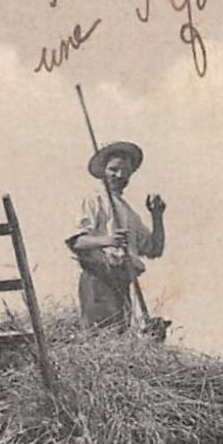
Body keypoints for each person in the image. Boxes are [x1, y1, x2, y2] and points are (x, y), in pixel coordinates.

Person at [66, 140, 166, 330]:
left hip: (122, 283)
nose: (120, 175)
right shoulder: (94, 200)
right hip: (98, 279)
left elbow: (154, 250)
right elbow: (76, 241)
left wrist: (157, 216)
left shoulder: (129, 213)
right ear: (103, 171)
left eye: (126, 171)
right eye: (113, 169)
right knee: (101, 338)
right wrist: (107, 240)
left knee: (120, 338)